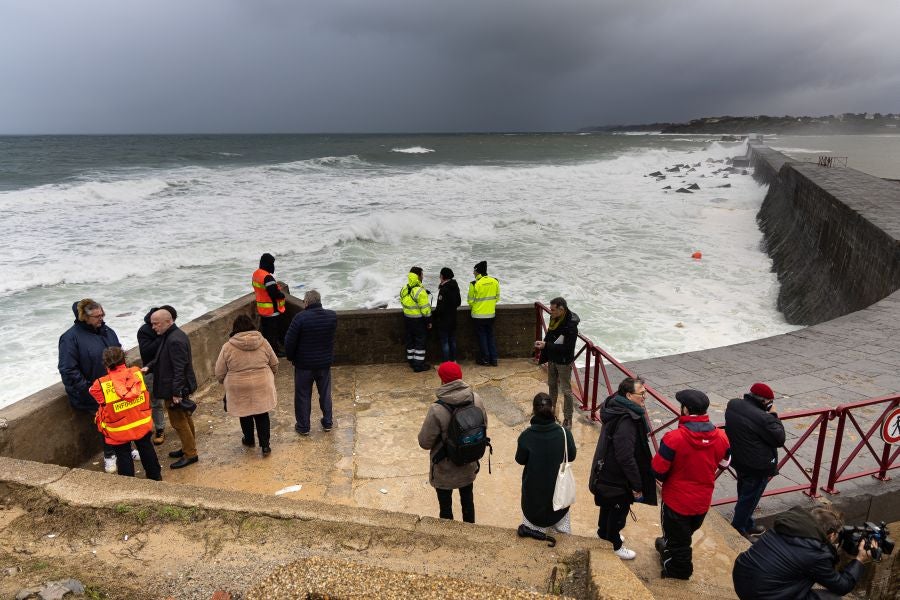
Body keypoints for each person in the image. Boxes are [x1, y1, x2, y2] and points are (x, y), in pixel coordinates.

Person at [651, 389, 731, 580]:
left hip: (676, 502)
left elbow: (658, 471)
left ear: (685, 409)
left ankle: (677, 573)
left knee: (679, 545)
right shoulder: (722, 436)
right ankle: (670, 546)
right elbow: (724, 464)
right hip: (702, 502)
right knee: (683, 535)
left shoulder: (673, 438)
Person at [732, 505, 867, 600]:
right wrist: (860, 560)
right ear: (831, 535)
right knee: (832, 598)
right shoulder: (816, 554)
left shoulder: (786, 525)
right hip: (761, 595)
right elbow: (842, 586)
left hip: (741, 580)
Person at [588, 377, 657, 560]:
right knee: (618, 511)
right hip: (617, 476)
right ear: (628, 395)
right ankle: (614, 545)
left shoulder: (615, 407)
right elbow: (625, 456)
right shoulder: (627, 420)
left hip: (607, 471)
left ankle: (603, 534)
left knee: (607, 506)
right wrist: (636, 484)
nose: (645, 396)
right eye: (641, 393)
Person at [58, 298, 124, 474]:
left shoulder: (107, 331)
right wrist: (89, 389)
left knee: (121, 419)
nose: (101, 318)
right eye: (97, 316)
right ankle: (109, 455)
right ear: (84, 317)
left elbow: (119, 355)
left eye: (102, 314)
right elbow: (68, 370)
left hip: (114, 387)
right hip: (92, 392)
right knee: (105, 424)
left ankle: (124, 450)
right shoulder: (69, 338)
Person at [417, 361, 487, 523]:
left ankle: (448, 535)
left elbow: (424, 442)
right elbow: (484, 427)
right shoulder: (476, 399)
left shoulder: (437, 409)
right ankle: (470, 530)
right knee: (468, 502)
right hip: (468, 463)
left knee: (445, 508)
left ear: (442, 380)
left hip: (444, 469)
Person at [89, 347, 161, 481]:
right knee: (146, 448)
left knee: (123, 455)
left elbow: (98, 398)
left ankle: (128, 485)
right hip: (141, 422)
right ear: (124, 359)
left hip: (118, 429)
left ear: (105, 363)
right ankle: (156, 478)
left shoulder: (99, 384)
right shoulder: (136, 372)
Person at [725, 382, 785, 538]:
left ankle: (748, 524)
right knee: (748, 500)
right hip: (757, 467)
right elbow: (779, 439)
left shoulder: (733, 404)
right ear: (765, 401)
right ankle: (738, 529)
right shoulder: (764, 418)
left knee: (744, 494)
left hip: (739, 460)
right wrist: (773, 415)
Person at [143, 307, 199, 469]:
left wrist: (176, 392)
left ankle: (190, 453)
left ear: (168, 321)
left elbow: (179, 368)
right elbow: (161, 358)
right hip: (176, 386)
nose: (153, 327)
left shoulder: (174, 340)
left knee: (179, 422)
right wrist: (149, 367)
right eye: (152, 324)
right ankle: (188, 447)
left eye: (156, 324)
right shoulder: (171, 335)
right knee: (185, 418)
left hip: (174, 389)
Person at [215, 314, 278, 456]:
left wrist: (224, 382)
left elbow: (219, 372)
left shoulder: (227, 347)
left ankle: (249, 439)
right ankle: (265, 446)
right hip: (262, 383)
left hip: (238, 386)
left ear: (235, 328)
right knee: (262, 414)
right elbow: (274, 363)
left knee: (244, 413)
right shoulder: (263, 342)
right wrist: (270, 375)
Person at [515, 392, 577, 537]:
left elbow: (520, 459)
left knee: (534, 538)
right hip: (559, 500)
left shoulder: (526, 436)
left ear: (533, 410)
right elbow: (571, 456)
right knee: (562, 538)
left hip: (533, 501)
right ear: (552, 408)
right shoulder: (564, 433)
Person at [284, 290, 338, 436]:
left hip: (304, 365)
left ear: (306, 302)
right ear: (319, 301)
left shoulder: (300, 318)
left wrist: (291, 357)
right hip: (324, 364)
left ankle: (303, 427)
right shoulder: (332, 316)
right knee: (325, 393)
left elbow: (289, 342)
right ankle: (327, 422)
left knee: (303, 396)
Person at [534, 297, 580, 429]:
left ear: (561, 309)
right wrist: (543, 344)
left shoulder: (571, 326)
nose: (550, 312)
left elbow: (568, 348)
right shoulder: (554, 318)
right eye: (550, 309)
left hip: (564, 361)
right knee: (552, 385)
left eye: (553, 310)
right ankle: (550, 410)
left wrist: (546, 346)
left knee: (566, 390)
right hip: (552, 358)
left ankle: (568, 418)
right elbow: (550, 335)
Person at [138, 306, 167, 445]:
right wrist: (161, 337)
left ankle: (180, 422)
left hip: (167, 368)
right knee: (156, 403)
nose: (156, 326)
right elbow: (146, 351)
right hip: (151, 371)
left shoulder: (168, 328)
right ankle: (160, 429)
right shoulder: (144, 331)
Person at [252, 252, 286, 357]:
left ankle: (270, 351)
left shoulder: (256, 274)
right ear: (268, 264)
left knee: (267, 333)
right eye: (272, 263)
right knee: (273, 334)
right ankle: (275, 352)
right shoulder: (267, 277)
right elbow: (274, 293)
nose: (273, 265)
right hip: (271, 310)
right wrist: (281, 295)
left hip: (262, 309)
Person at [467, 260, 500, 366]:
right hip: (491, 314)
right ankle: (494, 359)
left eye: (474, 271)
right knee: (490, 336)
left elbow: (470, 301)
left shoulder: (474, 284)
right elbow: (497, 298)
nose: (473, 273)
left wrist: (477, 307)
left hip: (478, 316)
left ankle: (485, 359)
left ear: (478, 271)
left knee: (482, 337)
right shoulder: (495, 281)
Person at [399, 266, 432, 372]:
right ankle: (418, 365)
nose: (423, 277)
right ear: (418, 276)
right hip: (418, 320)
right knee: (420, 341)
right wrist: (429, 321)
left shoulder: (404, 288)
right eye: (422, 275)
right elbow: (425, 309)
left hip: (407, 318)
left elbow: (403, 302)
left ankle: (411, 360)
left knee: (410, 340)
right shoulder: (420, 291)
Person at [431, 267, 461, 362]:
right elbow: (458, 302)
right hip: (453, 319)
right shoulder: (455, 286)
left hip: (444, 321)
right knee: (452, 341)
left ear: (443, 276)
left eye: (440, 275)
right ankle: (453, 361)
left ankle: (446, 364)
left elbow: (440, 308)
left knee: (445, 342)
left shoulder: (444, 289)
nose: (439, 277)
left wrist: (433, 316)